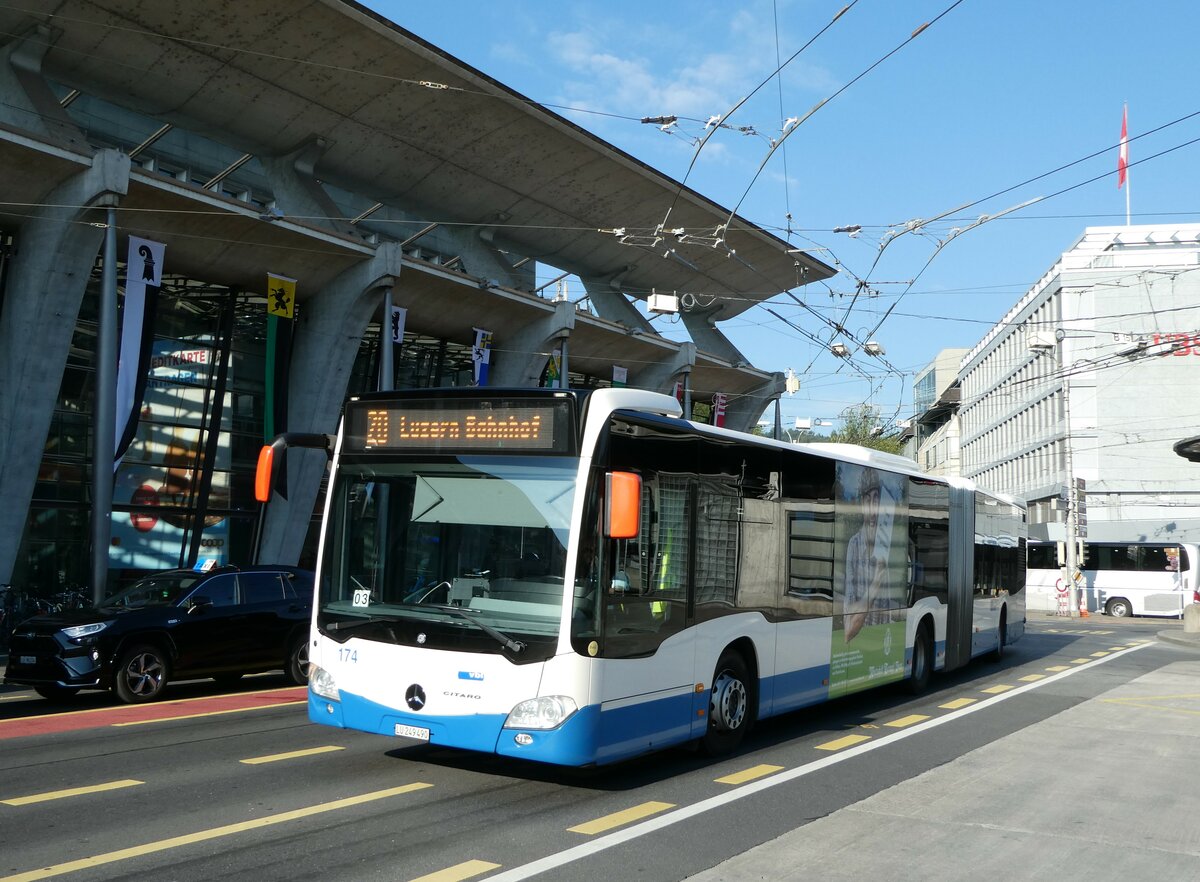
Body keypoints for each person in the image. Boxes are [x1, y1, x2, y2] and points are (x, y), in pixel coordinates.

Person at [843, 468, 889, 643]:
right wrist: (876, 583)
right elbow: (848, 631)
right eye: (867, 500)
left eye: (876, 499)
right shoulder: (853, 546)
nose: (872, 509)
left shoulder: (886, 546)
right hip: (860, 645)